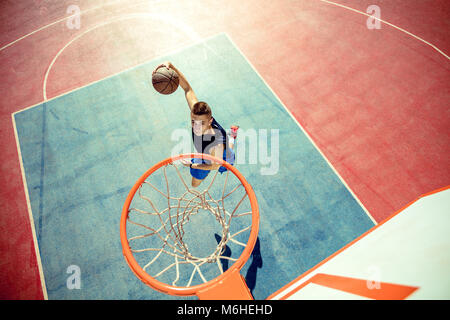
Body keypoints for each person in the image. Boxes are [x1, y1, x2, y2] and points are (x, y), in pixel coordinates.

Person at [153, 62, 239, 187]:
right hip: (208, 151)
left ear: (210, 121)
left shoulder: (216, 143)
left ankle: (232, 137)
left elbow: (215, 165)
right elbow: (187, 89)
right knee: (228, 144)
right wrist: (171, 66)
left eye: (201, 123)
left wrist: (191, 164)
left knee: (194, 185)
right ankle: (232, 135)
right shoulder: (199, 113)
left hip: (219, 159)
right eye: (193, 121)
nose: (196, 126)